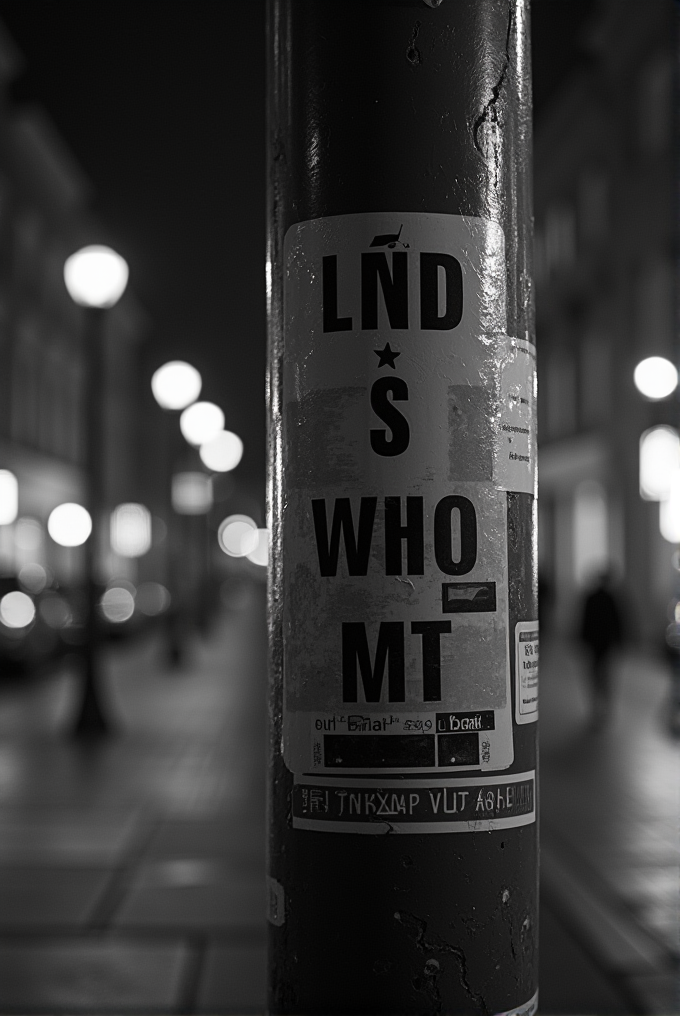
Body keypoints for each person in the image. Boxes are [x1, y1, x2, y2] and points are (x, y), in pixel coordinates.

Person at [579, 569, 624, 728]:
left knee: (595, 674)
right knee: (605, 675)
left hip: (594, 642)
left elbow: (584, 621)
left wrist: (582, 639)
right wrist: (619, 641)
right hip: (605, 642)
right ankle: (604, 708)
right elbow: (618, 622)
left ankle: (596, 707)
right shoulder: (611, 598)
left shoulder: (591, 597)